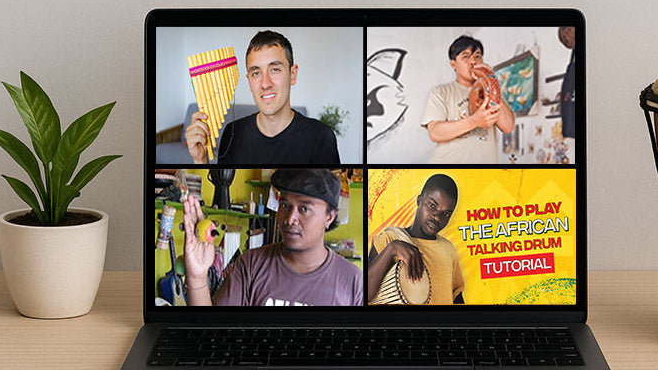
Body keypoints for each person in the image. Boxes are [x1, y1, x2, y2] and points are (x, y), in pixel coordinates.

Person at [183, 169, 362, 306]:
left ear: (329, 217)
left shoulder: (353, 281)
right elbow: (213, 332)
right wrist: (197, 275)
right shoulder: (251, 265)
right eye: (284, 205)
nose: (290, 218)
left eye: (304, 209)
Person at [185, 30, 340, 164]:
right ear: (249, 80)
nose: (265, 84)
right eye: (256, 72)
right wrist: (200, 159)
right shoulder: (232, 133)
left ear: (292, 75)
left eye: (274, 69)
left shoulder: (320, 137)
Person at [367, 174, 464, 305]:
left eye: (446, 213)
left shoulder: (448, 249)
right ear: (419, 201)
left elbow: (456, 296)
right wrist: (392, 248)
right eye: (432, 205)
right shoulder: (389, 238)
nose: (437, 218)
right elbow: (363, 295)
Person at [421, 35, 514, 164]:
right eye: (465, 56)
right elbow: (435, 133)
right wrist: (475, 121)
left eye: (477, 56)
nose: (473, 62)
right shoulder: (440, 92)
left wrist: (491, 82)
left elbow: (508, 126)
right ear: (453, 64)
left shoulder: (489, 91)